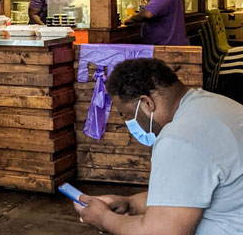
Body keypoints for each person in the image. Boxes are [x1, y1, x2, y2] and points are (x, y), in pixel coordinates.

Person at [73, 58, 243, 234]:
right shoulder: (216, 105)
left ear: (147, 103)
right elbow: (186, 194)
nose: (128, 123)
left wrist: (105, 219)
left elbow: (160, 231)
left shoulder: (179, 138)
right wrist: (130, 204)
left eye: (127, 115)